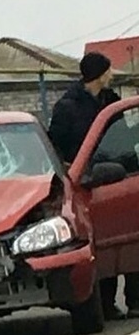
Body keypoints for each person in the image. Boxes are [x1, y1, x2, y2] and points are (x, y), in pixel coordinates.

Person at [48, 51, 132, 318]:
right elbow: (56, 147)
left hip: (118, 177)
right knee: (98, 244)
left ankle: (135, 300)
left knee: (126, 239)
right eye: (107, 71)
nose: (111, 75)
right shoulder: (68, 108)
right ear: (98, 74)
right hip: (86, 185)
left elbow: (123, 137)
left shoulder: (111, 101)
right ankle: (105, 305)